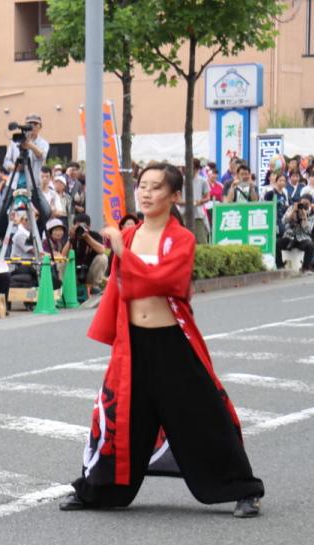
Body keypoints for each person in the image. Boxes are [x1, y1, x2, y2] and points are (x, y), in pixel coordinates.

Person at [60, 162, 264, 518]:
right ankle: (97, 490)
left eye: (156, 187)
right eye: (143, 185)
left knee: (206, 415)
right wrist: (121, 251)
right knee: (118, 416)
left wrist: (123, 253)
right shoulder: (134, 233)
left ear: (173, 196)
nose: (147, 192)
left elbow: (162, 281)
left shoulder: (180, 239)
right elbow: (124, 287)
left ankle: (242, 489)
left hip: (172, 343)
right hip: (133, 343)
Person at [0, 113, 51, 229]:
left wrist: (30, 145)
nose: (32, 126)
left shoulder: (43, 143)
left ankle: (36, 233)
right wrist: (14, 167)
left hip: (32, 184)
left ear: (40, 127)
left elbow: (42, 156)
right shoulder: (15, 141)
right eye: (29, 124)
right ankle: (3, 236)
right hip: (14, 183)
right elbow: (6, 162)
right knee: (0, 209)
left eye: (35, 124)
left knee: (46, 211)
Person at [70, 213, 108, 296]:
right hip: (74, 274)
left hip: (90, 274)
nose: (80, 228)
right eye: (78, 226)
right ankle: (66, 288)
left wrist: (87, 237)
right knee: (62, 262)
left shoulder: (95, 235)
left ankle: (95, 286)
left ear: (89, 226)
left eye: (83, 226)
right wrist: (71, 238)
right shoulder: (72, 236)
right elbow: (63, 254)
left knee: (103, 258)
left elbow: (102, 250)